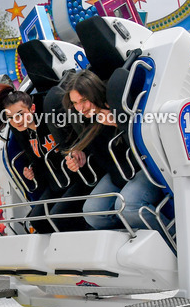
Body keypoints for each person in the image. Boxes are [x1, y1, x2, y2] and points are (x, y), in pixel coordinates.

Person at [0, 84, 87, 233]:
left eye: (20, 114)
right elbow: (38, 161)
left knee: (58, 217)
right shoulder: (22, 132)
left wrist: (78, 155)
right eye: (11, 118)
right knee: (37, 222)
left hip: (76, 178)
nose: (17, 121)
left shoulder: (50, 121)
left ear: (32, 109)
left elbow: (75, 142)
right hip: (56, 183)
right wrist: (32, 170)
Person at [60, 70, 165, 230]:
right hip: (117, 172)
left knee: (128, 206)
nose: (80, 107)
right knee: (92, 212)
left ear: (94, 94)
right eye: (75, 103)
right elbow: (96, 150)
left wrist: (119, 124)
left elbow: (146, 139)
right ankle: (128, 240)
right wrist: (80, 154)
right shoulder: (85, 119)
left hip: (144, 166)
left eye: (84, 100)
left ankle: (172, 241)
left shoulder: (117, 106)